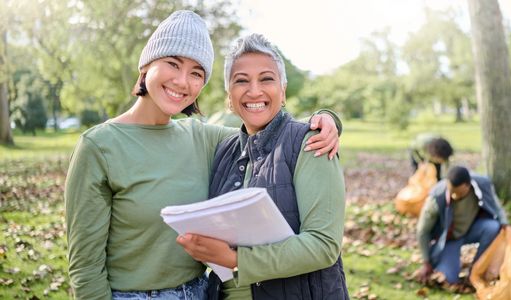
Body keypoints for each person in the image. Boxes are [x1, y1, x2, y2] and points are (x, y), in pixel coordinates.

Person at [65, 11, 341, 300]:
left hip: (200, 293)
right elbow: (85, 268)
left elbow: (268, 121)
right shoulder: (98, 146)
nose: (183, 82)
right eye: (173, 63)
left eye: (196, 73)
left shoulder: (204, 138)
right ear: (146, 66)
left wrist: (325, 120)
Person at [176, 33, 349, 299]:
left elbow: (324, 245)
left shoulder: (311, 142)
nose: (254, 90)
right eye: (241, 81)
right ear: (229, 96)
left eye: (266, 79)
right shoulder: (224, 148)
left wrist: (237, 260)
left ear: (283, 89)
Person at [415, 166, 508, 285]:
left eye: (457, 193)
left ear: (468, 186)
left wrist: (505, 223)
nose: (453, 196)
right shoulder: (437, 196)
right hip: (449, 238)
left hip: (472, 229)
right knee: (449, 279)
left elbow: (496, 205)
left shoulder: (481, 185)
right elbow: (422, 231)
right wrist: (426, 262)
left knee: (493, 227)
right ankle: (440, 260)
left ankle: (476, 269)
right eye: (451, 191)